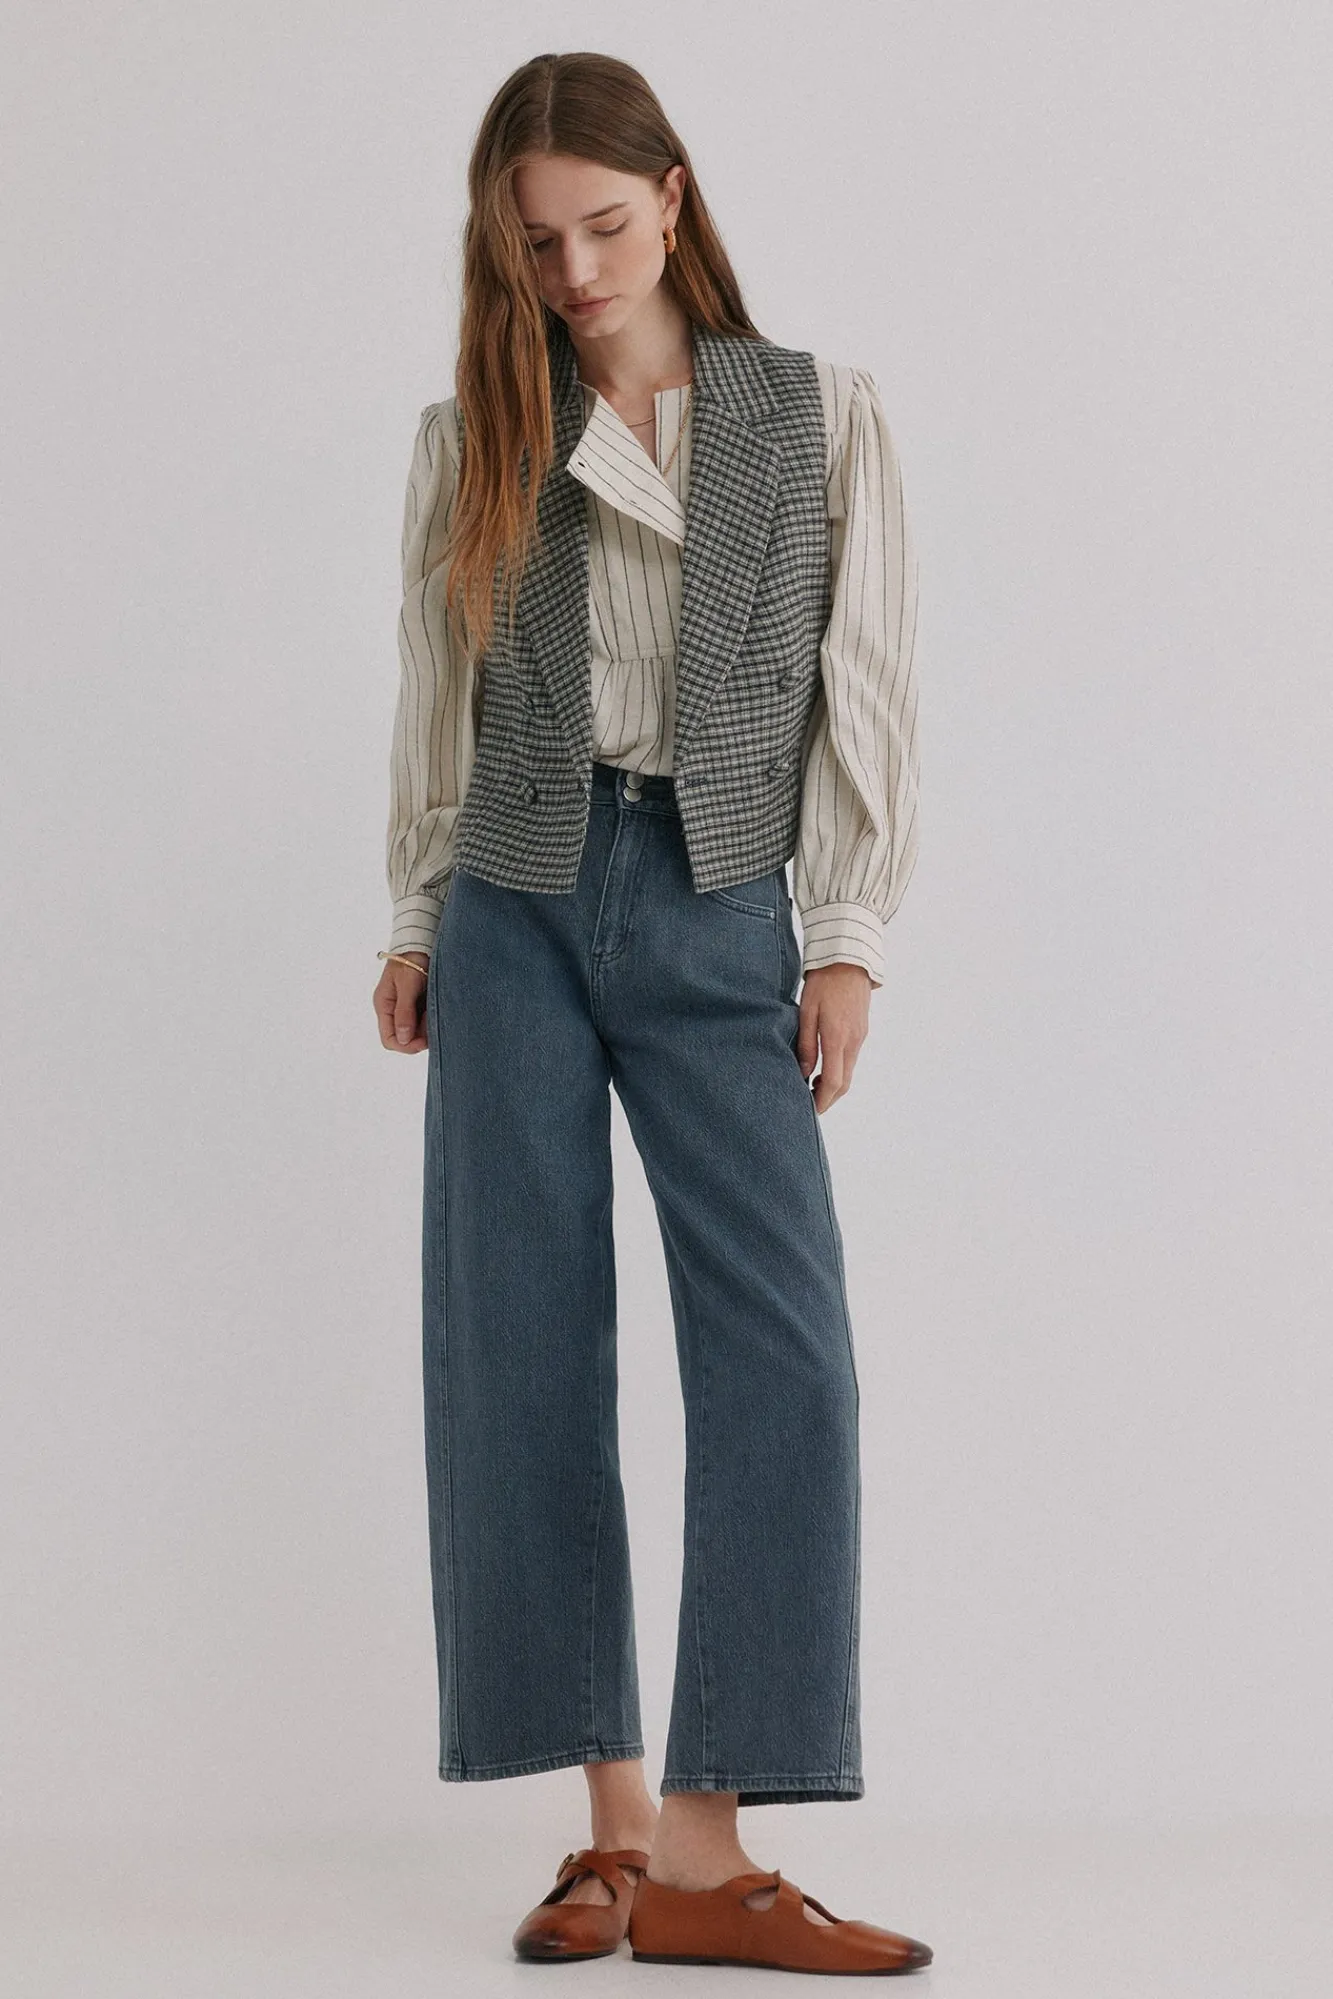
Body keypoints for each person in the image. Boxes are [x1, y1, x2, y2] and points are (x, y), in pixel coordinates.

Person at [372, 51, 930, 1978]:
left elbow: (866, 679)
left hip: (719, 898)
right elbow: (433, 683)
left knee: (788, 1354)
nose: (577, 271)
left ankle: (707, 1846)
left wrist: (844, 937)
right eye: (536, 245)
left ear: (674, 197)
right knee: (519, 1346)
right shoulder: (480, 431)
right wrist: (413, 909)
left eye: (604, 227)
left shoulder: (818, 414)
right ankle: (613, 1825)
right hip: (512, 898)